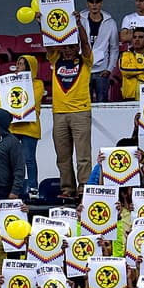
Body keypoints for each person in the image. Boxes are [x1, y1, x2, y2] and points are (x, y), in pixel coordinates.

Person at [47, 15, 95, 200]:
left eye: (72, 47)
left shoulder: (85, 61)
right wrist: (43, 23)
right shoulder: (55, 59)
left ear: (77, 48)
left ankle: (84, 187)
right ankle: (67, 188)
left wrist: (79, 25)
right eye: (65, 46)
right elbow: (48, 44)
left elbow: (85, 43)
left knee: (83, 154)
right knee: (62, 156)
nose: (68, 50)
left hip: (81, 112)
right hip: (59, 113)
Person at [8, 54, 44, 199]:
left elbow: (30, 101)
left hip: (29, 127)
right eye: (17, 64)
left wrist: (20, 83)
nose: (18, 67)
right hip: (13, 127)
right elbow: (2, 99)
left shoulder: (38, 84)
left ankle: (33, 188)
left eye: (22, 64)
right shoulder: (9, 83)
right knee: (12, 161)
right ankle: (13, 189)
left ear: (30, 67)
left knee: (29, 159)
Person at [82, 0, 120, 104]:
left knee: (102, 104)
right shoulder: (80, 20)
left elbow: (114, 48)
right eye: (91, 2)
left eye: (97, 2)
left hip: (101, 71)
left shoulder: (110, 22)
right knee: (84, 103)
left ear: (101, 3)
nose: (94, 5)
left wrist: (109, 69)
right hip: (85, 69)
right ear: (87, 4)